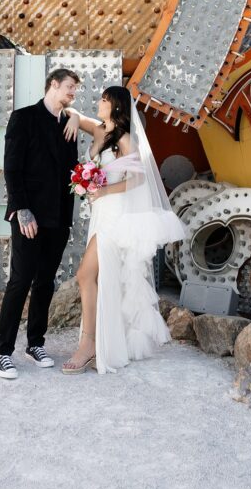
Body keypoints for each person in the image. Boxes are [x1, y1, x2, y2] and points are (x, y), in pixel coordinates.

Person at [61, 86, 186, 375]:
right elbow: (74, 114)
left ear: (116, 106)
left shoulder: (126, 140)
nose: (99, 103)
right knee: (100, 279)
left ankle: (88, 345)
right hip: (100, 214)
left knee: (85, 275)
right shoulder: (99, 130)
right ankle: (103, 341)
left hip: (116, 217)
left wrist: (102, 189)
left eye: (104, 100)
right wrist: (72, 118)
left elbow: (137, 181)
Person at [0, 67, 80, 380]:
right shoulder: (23, 117)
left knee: (46, 281)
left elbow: (72, 172)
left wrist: (77, 116)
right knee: (21, 280)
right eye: (69, 87)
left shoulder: (69, 123)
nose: (72, 93)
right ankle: (2, 351)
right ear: (53, 85)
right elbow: (12, 168)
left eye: (74, 90)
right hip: (29, 216)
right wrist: (22, 209)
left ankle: (36, 343)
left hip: (58, 218)